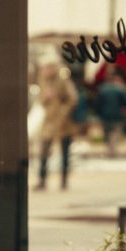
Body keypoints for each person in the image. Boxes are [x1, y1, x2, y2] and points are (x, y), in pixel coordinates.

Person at [34, 62, 79, 190]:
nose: (44, 71)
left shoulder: (62, 81)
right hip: (49, 121)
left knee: (64, 153)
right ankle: (42, 180)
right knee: (44, 152)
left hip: (63, 122)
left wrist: (63, 111)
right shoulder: (43, 81)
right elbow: (41, 100)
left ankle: (64, 181)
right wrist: (46, 97)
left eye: (46, 68)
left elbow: (73, 98)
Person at [95, 67, 126, 157]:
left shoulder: (103, 89)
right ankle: (113, 149)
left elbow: (98, 103)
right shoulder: (121, 89)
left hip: (105, 114)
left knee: (107, 132)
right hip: (117, 114)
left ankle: (109, 148)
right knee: (115, 132)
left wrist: (99, 113)